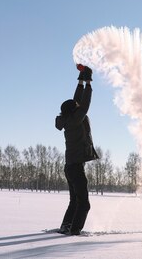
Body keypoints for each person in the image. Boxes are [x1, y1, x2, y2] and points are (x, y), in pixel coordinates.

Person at [55, 64, 99, 236]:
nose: (78, 106)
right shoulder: (75, 120)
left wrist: (80, 80)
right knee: (84, 204)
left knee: (75, 201)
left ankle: (66, 226)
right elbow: (85, 104)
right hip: (75, 168)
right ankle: (74, 231)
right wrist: (88, 83)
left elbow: (78, 102)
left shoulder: (68, 120)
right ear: (73, 111)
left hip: (70, 167)